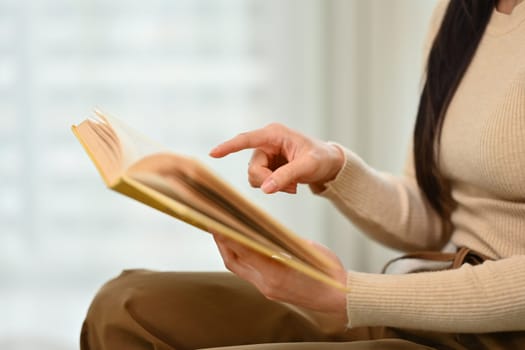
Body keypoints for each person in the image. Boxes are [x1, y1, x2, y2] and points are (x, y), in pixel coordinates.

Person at [80, 0, 525, 349]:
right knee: (123, 304)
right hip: (436, 303)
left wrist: (348, 294)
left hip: (501, 330)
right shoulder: (462, 14)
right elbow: (434, 218)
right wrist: (333, 167)